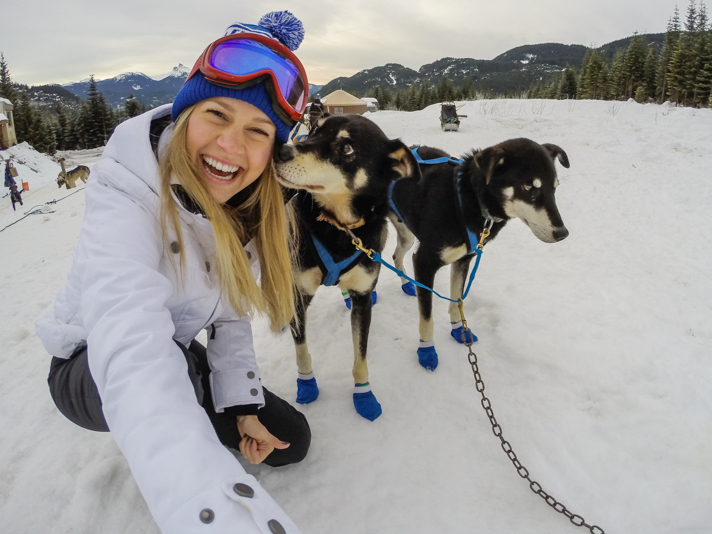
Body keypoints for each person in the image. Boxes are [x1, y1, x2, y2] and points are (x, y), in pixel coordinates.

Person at [36, 11, 311, 534]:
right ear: (186, 112)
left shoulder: (243, 206)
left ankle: (198, 414)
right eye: (217, 114)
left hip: (177, 349)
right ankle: (177, 434)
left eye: (258, 131)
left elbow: (230, 319)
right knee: (173, 374)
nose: (232, 147)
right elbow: (130, 336)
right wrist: (206, 503)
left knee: (290, 440)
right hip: (86, 364)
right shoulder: (126, 189)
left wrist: (243, 404)